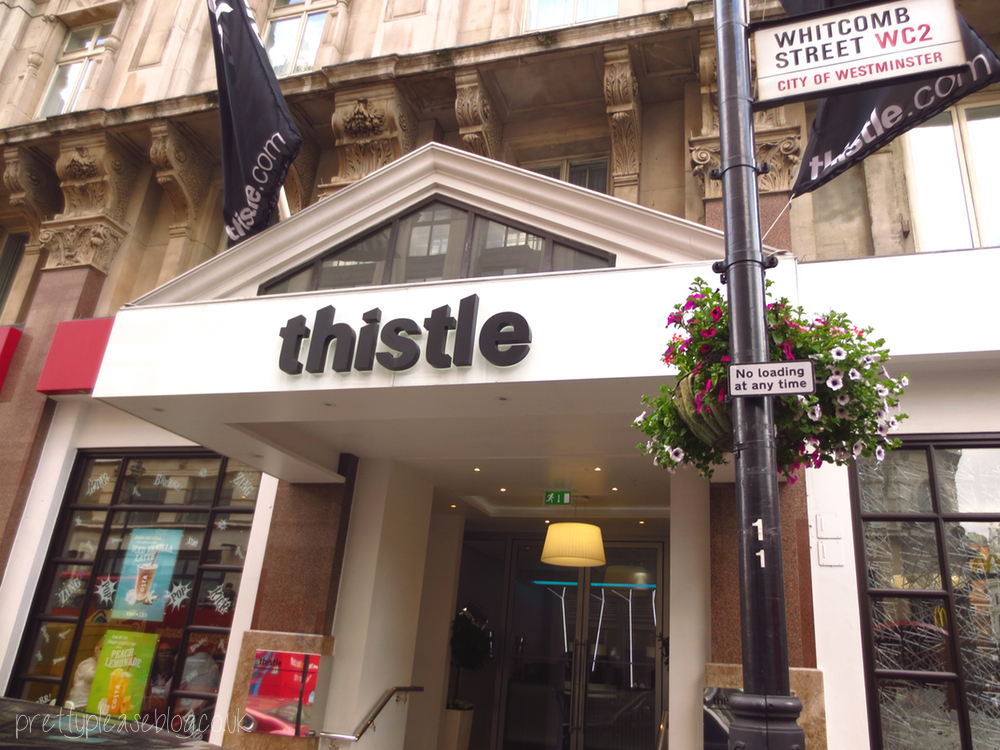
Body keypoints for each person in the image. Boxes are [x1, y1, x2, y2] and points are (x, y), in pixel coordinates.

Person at [66, 636, 104, 709]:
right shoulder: (86, 664)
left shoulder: (105, 665)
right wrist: (100, 659)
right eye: (102, 650)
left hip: (95, 704)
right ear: (97, 650)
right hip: (80, 705)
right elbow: (91, 676)